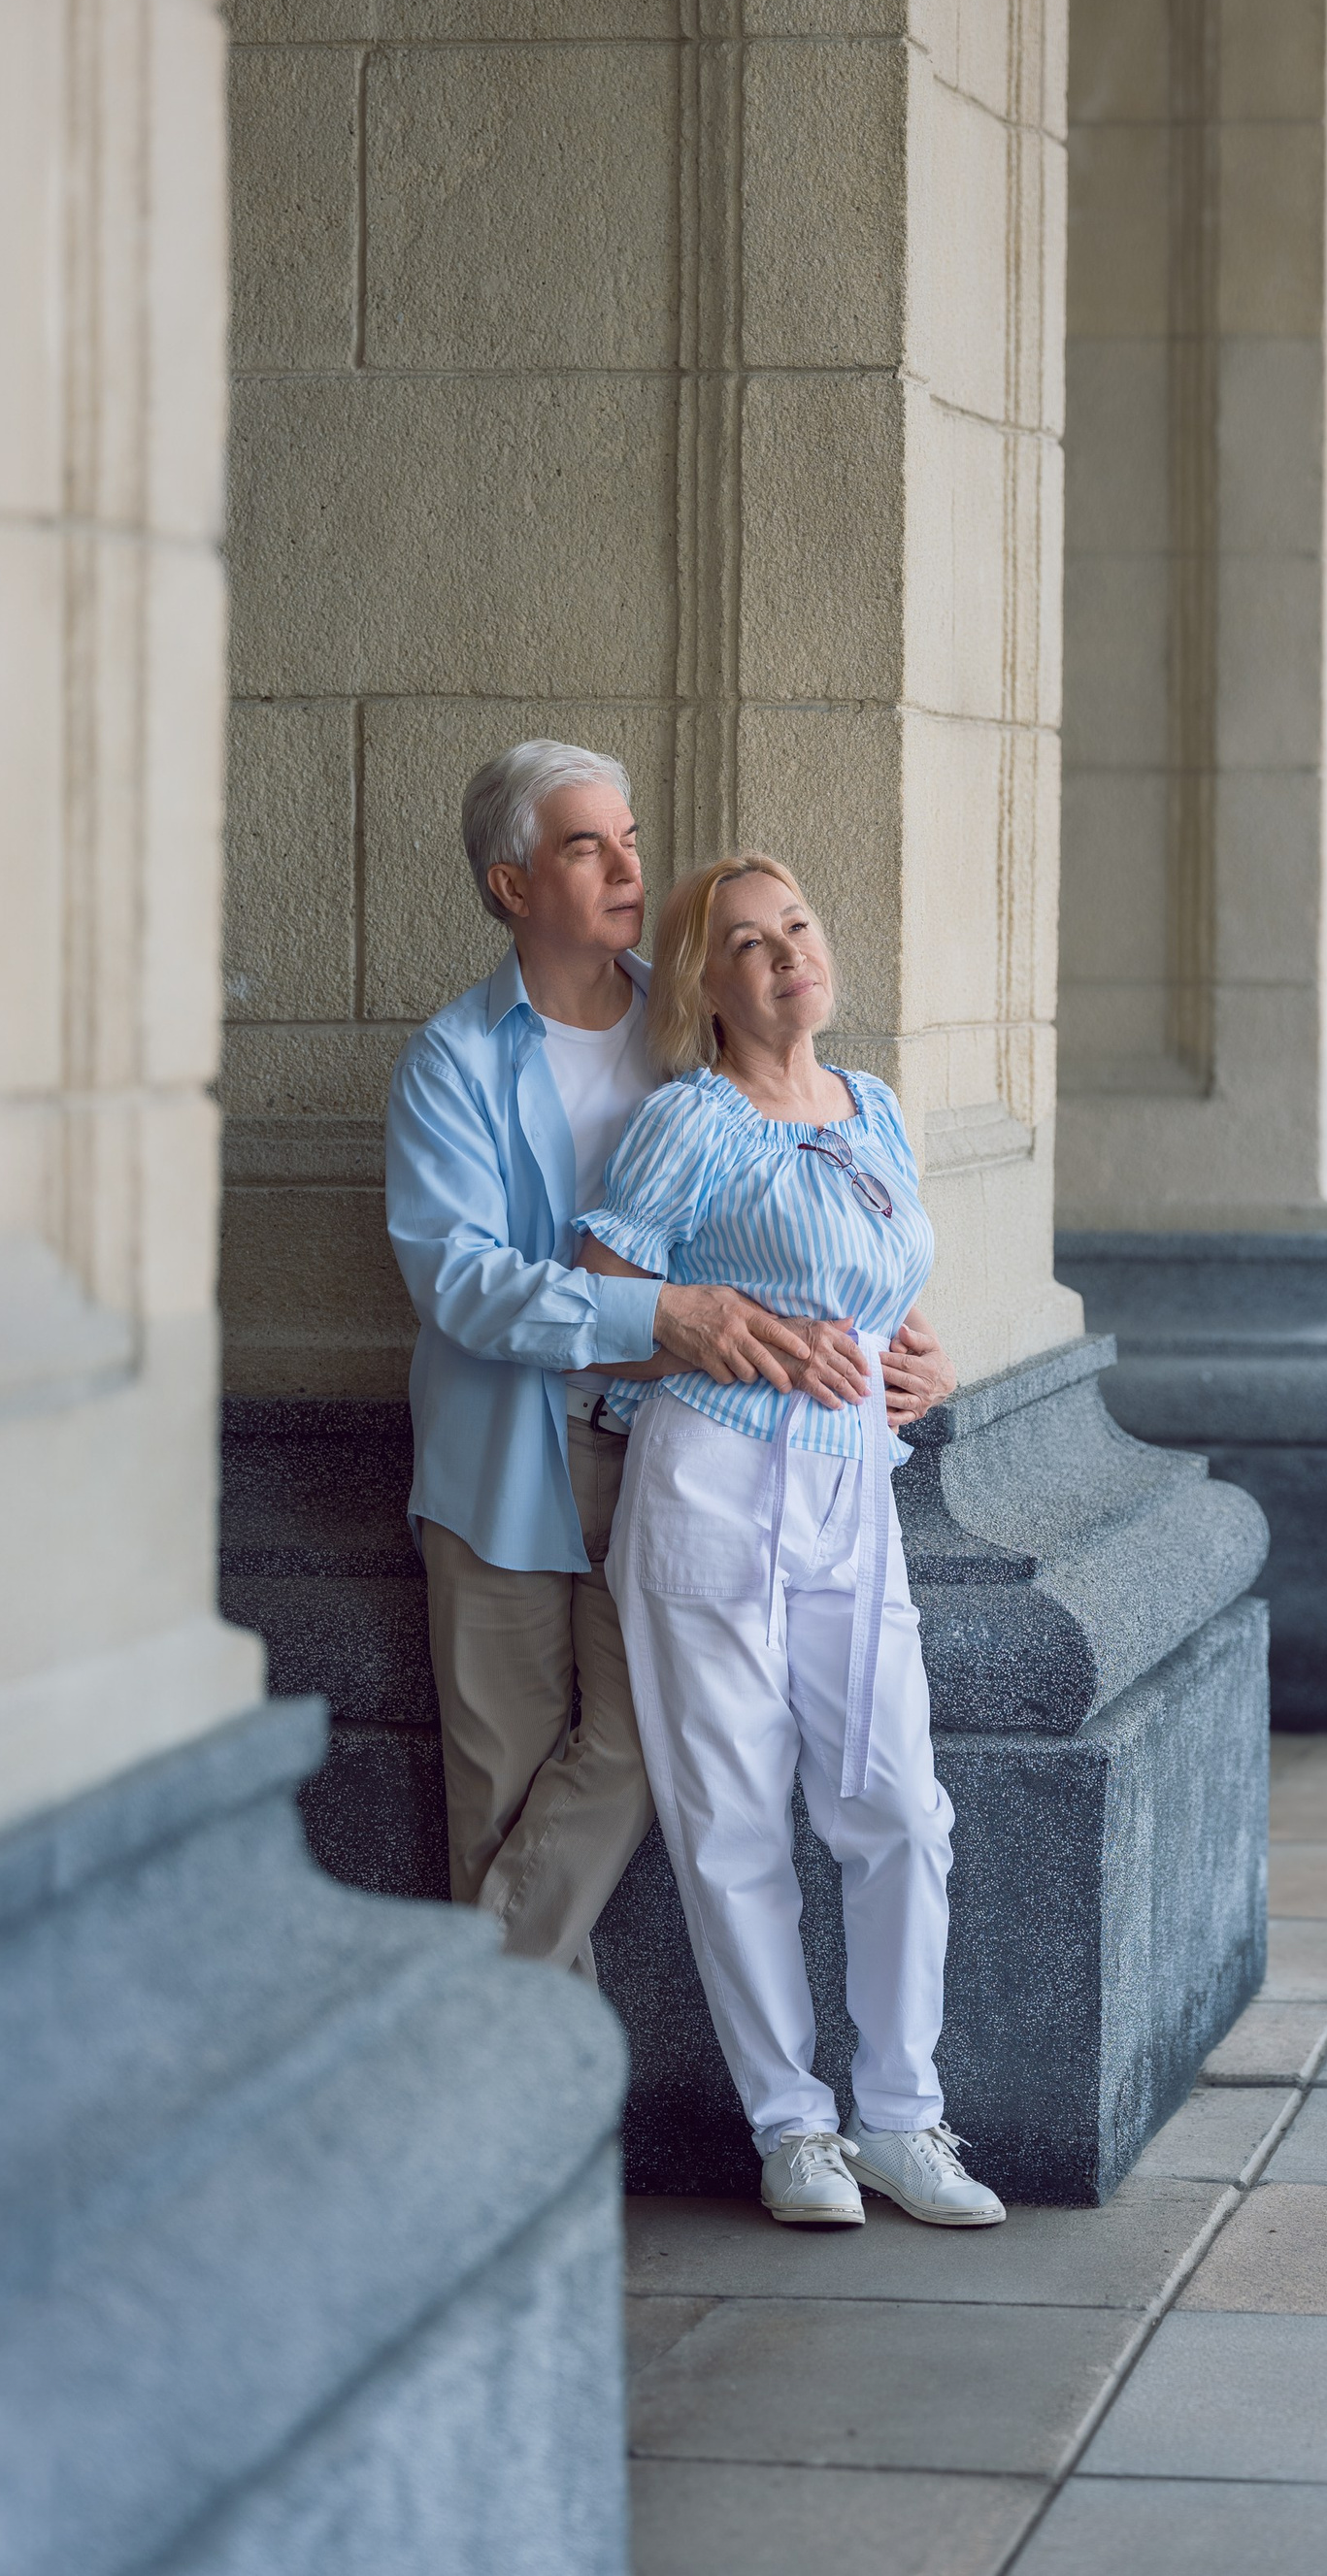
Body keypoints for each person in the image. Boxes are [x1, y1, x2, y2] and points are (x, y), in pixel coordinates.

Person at [384, 744, 867, 1988]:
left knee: (648, 1741)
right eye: (585, 845)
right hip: (500, 1467)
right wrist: (661, 1310)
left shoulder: (695, 1021)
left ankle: (455, 2030)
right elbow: (459, 1278)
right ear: (509, 884)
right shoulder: (451, 1060)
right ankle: (528, 2130)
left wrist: (894, 1327)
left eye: (631, 836)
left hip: (678, 1451)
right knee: (498, 1792)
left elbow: (809, 1189)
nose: (627, 866)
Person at [574, 854, 1001, 2232]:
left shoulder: (870, 1107)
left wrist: (928, 1364)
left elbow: (892, 1294)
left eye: (798, 927)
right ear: (707, 983)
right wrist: (734, 1331)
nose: (784, 956)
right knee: (735, 1815)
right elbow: (595, 1309)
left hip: (852, 1492)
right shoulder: (689, 1120)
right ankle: (792, 2125)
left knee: (898, 1808)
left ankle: (901, 2114)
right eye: (747, 943)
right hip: (710, 1481)